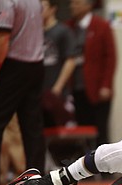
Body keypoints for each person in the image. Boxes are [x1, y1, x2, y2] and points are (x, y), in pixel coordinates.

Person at [0, 0, 45, 185]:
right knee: (33, 127)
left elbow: (2, 36)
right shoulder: (34, 2)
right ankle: (38, 182)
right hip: (36, 64)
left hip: (11, 65)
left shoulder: (4, 1)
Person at [67, 0, 117, 146]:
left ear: (88, 5)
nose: (72, 6)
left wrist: (106, 85)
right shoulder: (68, 27)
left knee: (100, 130)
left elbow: (110, 58)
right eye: (72, 3)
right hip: (76, 87)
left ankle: (103, 166)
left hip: (97, 88)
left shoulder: (102, 26)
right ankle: (84, 164)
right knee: (82, 130)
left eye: (77, 3)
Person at [41, 0, 76, 128]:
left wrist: (58, 87)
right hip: (39, 91)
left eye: (43, 6)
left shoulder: (63, 31)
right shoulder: (35, 33)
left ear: (52, 9)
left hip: (58, 91)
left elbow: (70, 60)